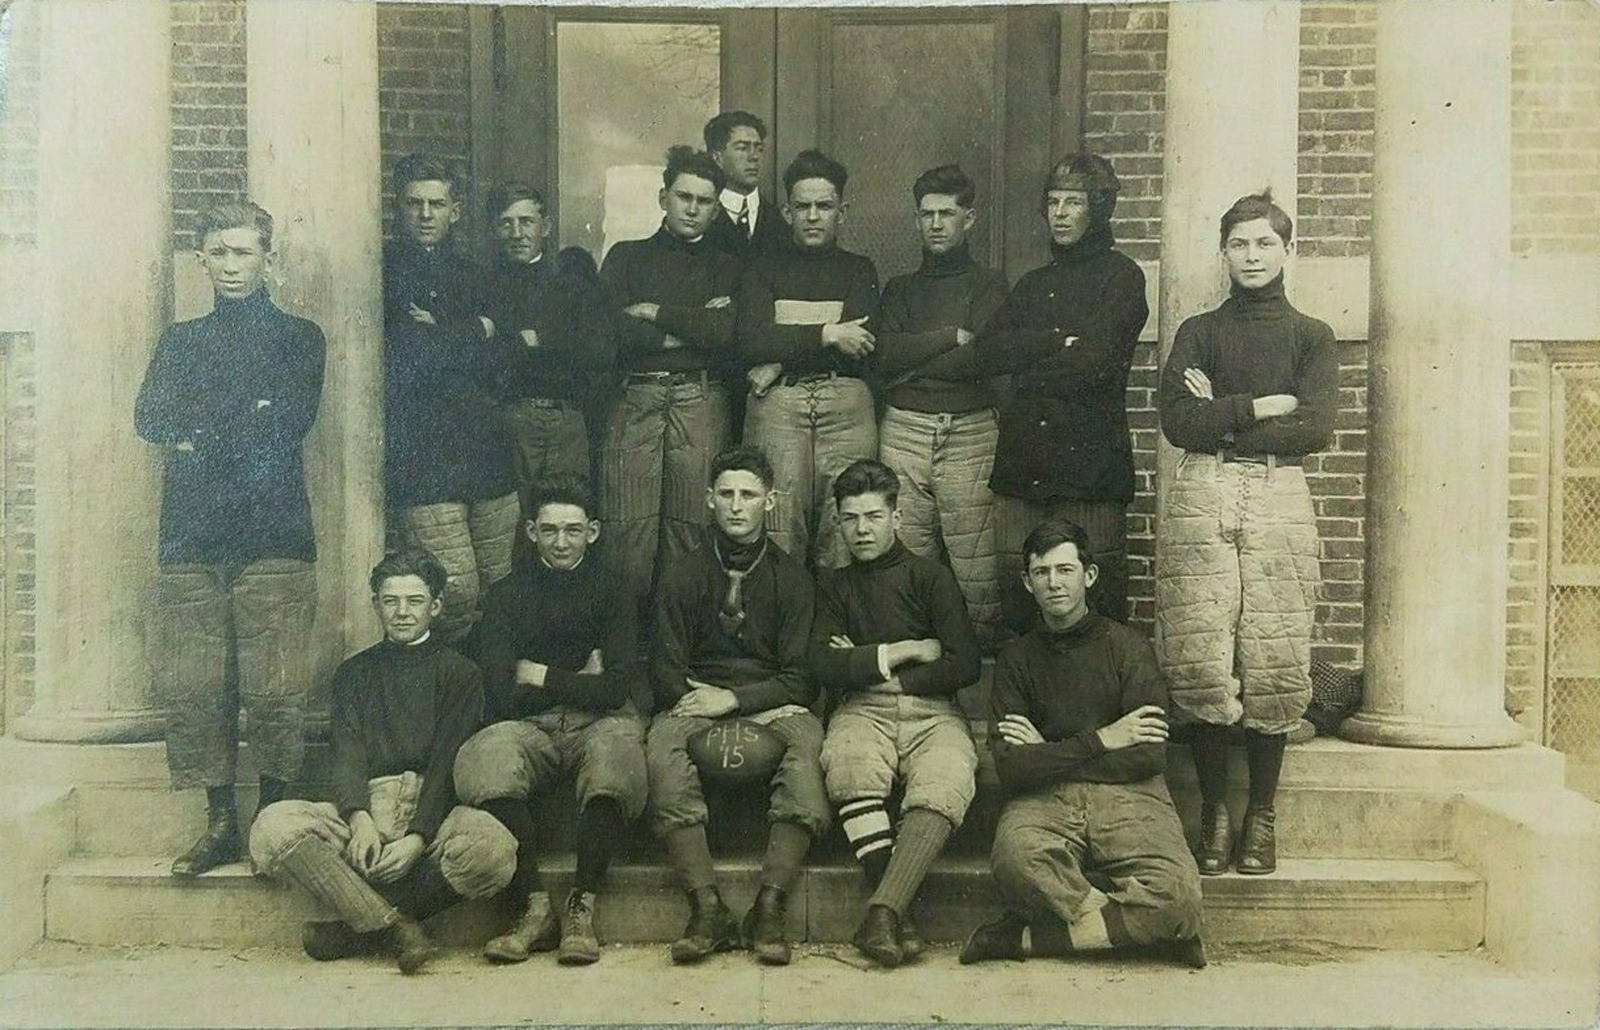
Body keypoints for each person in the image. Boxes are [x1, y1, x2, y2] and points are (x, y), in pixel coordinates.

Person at [134, 200, 325, 878]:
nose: (232, 265)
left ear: (269, 256)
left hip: (273, 533)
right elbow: (150, 415)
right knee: (197, 689)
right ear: (203, 259)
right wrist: (246, 412)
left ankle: (271, 822)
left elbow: (291, 417)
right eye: (219, 252)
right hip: (192, 535)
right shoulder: (180, 341)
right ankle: (219, 823)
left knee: (274, 689)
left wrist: (201, 430)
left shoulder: (300, 337)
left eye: (245, 252)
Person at [1155, 191, 1337, 877]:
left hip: (1280, 490)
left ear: (1287, 250)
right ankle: (1214, 812)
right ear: (1224, 252)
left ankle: (1260, 813)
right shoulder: (1199, 332)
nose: (1252, 256)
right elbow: (1179, 422)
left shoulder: (1311, 336)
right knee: (1203, 651)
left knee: (1275, 649)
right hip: (1203, 487)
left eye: (1265, 243)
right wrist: (1260, 405)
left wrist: (1220, 411)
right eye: (1240, 244)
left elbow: (1314, 427)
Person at [247, 549, 516, 975]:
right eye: (391, 601)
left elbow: (449, 761)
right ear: (376, 605)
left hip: (430, 805)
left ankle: (355, 928)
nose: (403, 613)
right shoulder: (354, 673)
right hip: (366, 809)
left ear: (436, 605)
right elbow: (347, 751)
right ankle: (395, 925)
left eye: (414, 601)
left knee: (495, 850)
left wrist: (417, 836)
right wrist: (359, 817)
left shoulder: (460, 673)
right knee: (270, 827)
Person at [961, 519, 1205, 968]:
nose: (1054, 583)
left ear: (1088, 576)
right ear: (1027, 582)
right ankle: (1145, 931)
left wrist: (1049, 751)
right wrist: (1104, 739)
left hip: (1131, 796)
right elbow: (1014, 768)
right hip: (1043, 800)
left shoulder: (1128, 647)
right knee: (1016, 861)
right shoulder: (1016, 659)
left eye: (1065, 570)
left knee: (1180, 893)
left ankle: (1025, 940)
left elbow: (1148, 754)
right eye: (1042, 573)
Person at [454, 474, 648, 965]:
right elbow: (500, 692)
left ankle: (582, 906)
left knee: (617, 757)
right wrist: (578, 678)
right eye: (550, 529)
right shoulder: (505, 596)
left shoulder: (615, 591)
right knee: (486, 757)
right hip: (529, 725)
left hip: (599, 722)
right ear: (530, 531)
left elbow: (615, 689)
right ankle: (533, 907)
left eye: (573, 530)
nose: (562, 541)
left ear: (594, 532)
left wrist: (538, 673)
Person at [646, 445, 827, 966]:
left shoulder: (792, 578)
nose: (736, 505)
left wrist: (739, 700)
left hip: (770, 698)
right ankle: (706, 906)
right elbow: (663, 670)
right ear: (708, 500)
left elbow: (802, 677)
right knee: (661, 746)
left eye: (749, 495)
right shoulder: (682, 574)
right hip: (696, 695)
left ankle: (769, 905)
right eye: (725, 494)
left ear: (770, 501)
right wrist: (701, 700)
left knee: (810, 746)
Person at [813, 459, 981, 967]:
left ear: (896, 518)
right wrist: (909, 647)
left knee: (947, 776)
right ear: (839, 523)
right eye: (849, 518)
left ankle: (883, 912)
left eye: (872, 516)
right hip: (862, 709)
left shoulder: (931, 578)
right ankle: (896, 916)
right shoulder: (833, 585)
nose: (861, 529)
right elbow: (822, 662)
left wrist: (865, 661)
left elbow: (964, 663)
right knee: (849, 762)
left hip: (932, 710)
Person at [975, 153, 1149, 627]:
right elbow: (988, 352)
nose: (1060, 213)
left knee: (1095, 591)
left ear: (1098, 208)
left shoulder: (1122, 278)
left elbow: (1095, 365)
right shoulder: (1033, 284)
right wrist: (1054, 342)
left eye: (1073, 202)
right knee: (1020, 590)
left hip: (1089, 466)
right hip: (1024, 462)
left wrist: (1027, 365)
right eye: (1053, 202)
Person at [598, 145, 744, 621]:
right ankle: (626, 647)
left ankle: (680, 643)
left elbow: (724, 335)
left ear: (716, 206)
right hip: (636, 396)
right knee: (627, 529)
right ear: (664, 197)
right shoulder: (627, 257)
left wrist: (657, 316)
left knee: (692, 525)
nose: (693, 208)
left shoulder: (726, 266)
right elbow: (611, 332)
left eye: (705, 200)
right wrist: (694, 326)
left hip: (700, 398)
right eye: (684, 196)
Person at [383, 153, 518, 643]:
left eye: (436, 204)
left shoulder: (477, 275)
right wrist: (473, 331)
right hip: (426, 456)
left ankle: (492, 702)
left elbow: (505, 360)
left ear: (455, 211)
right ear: (399, 207)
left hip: (488, 453)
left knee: (501, 588)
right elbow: (409, 356)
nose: (425, 214)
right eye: (415, 203)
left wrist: (442, 332)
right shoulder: (385, 273)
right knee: (453, 592)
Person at [874, 165, 1010, 644]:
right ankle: (914, 664)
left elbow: (983, 359)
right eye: (926, 214)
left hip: (971, 431)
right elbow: (884, 355)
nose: (935, 224)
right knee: (906, 556)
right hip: (904, 430)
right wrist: (949, 337)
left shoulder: (988, 285)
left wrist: (914, 363)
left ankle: (978, 680)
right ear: (916, 220)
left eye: (946, 214)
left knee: (978, 565)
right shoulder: (900, 289)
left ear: (968, 219)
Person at [737, 149, 881, 570]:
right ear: (786, 211)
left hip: (846, 407)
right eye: (803, 207)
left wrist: (781, 355)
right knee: (778, 523)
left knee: (846, 526)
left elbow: (864, 345)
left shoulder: (859, 269)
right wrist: (829, 332)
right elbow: (750, 340)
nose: (813, 216)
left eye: (824, 206)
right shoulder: (762, 267)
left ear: (843, 210)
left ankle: (839, 630)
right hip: (779, 409)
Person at [480, 182, 612, 503]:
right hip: (511, 418)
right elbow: (482, 359)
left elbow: (598, 350)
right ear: (494, 230)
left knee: (568, 509)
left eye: (526, 222)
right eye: (506, 223)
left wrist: (535, 338)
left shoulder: (571, 286)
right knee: (518, 518)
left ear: (546, 227)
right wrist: (536, 344)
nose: (517, 233)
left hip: (566, 418)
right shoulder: (483, 285)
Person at [703, 110, 788, 260]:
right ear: (717, 158)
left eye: (759, 148)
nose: (754, 157)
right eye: (742, 148)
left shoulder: (779, 222)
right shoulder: (702, 218)